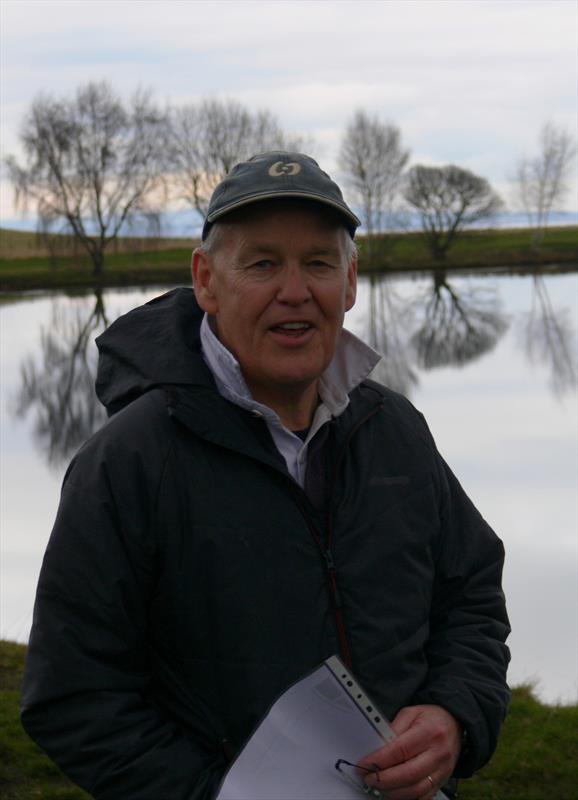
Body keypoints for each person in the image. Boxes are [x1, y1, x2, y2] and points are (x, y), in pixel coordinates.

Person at [21, 152, 510, 800]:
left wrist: (456, 714)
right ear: (206, 280)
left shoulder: (394, 430)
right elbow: (74, 697)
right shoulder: (127, 464)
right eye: (262, 263)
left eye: (318, 263)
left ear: (351, 281)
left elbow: (471, 594)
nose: (295, 291)